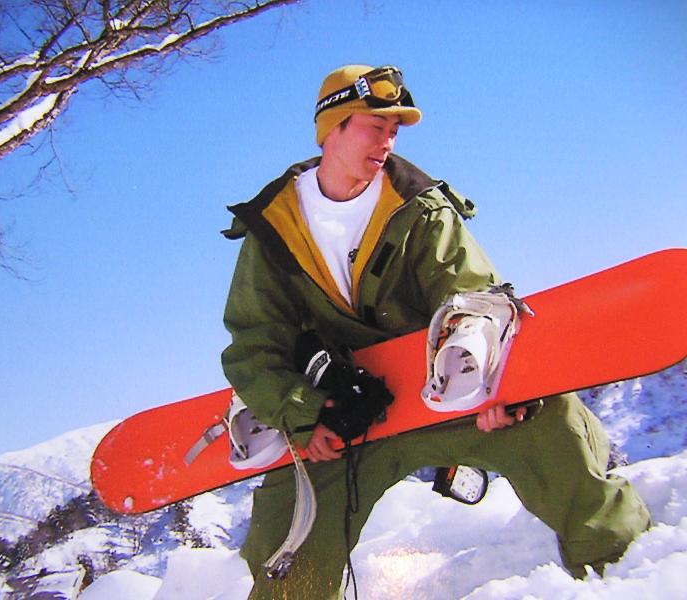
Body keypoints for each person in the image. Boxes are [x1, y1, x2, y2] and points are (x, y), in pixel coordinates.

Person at [221, 64, 650, 599]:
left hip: (444, 397)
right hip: (347, 419)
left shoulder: (420, 209)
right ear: (333, 128)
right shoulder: (275, 228)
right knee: (289, 527)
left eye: (394, 130)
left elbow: (475, 299)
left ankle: (635, 574)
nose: (388, 140)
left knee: (554, 428)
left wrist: (504, 389)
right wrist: (305, 415)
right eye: (376, 126)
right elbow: (255, 340)